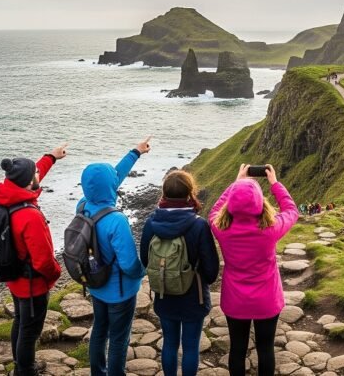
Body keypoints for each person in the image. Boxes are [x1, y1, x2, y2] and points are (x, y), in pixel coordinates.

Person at [209, 164, 298, 376]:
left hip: (235, 299)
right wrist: (274, 183)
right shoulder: (270, 228)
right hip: (267, 299)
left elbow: (214, 211)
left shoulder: (221, 228)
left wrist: (236, 183)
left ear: (231, 203)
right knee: (265, 348)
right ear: (260, 202)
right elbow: (291, 210)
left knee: (237, 349)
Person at [80, 136, 151, 376]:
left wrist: (135, 152)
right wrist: (144, 270)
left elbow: (109, 182)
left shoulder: (83, 206)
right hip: (120, 292)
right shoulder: (116, 221)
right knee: (119, 338)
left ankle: (97, 372)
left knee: (99, 329)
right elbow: (129, 264)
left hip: (95, 283)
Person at [0, 144, 66, 376]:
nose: (38, 175)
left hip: (15, 279)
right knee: (29, 332)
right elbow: (43, 261)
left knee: (20, 322)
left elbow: (31, 174)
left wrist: (50, 158)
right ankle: (25, 371)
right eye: (35, 173)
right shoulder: (29, 216)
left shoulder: (8, 196)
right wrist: (55, 274)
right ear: (27, 181)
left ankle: (19, 366)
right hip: (33, 285)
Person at [141, 170, 219, 376]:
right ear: (189, 193)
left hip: (164, 292)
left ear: (164, 193)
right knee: (191, 346)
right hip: (194, 295)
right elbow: (211, 271)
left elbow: (145, 260)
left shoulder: (151, 223)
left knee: (169, 343)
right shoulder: (199, 225)